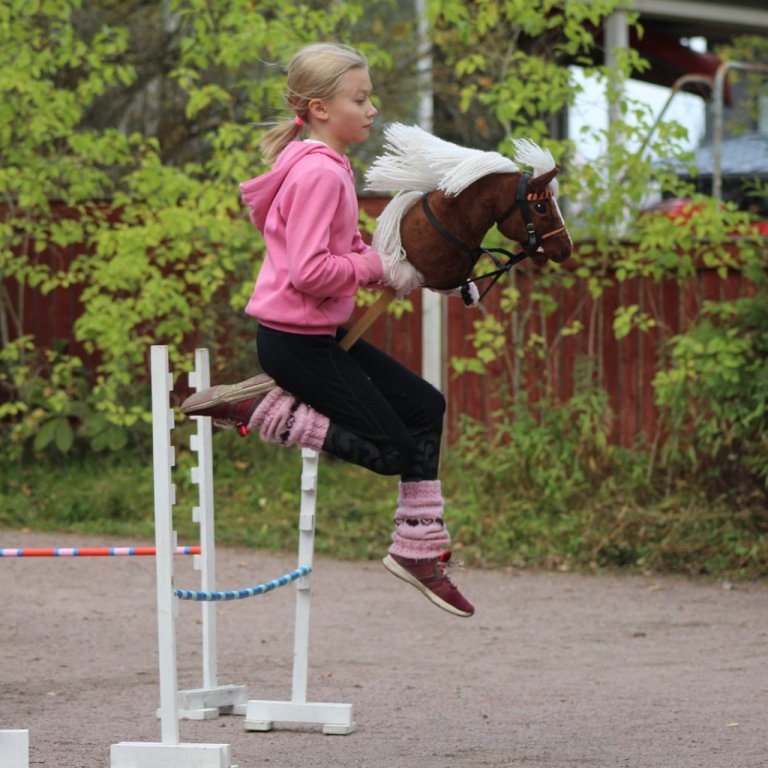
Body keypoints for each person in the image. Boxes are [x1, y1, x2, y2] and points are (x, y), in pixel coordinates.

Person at [182, 42, 473, 618]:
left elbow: (341, 248)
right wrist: (372, 268)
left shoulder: (326, 166)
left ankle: (418, 550)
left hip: (313, 338)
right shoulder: (319, 173)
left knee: (424, 407)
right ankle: (261, 409)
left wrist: (402, 266)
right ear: (318, 108)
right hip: (296, 345)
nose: (371, 110)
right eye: (359, 99)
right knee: (392, 449)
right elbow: (312, 272)